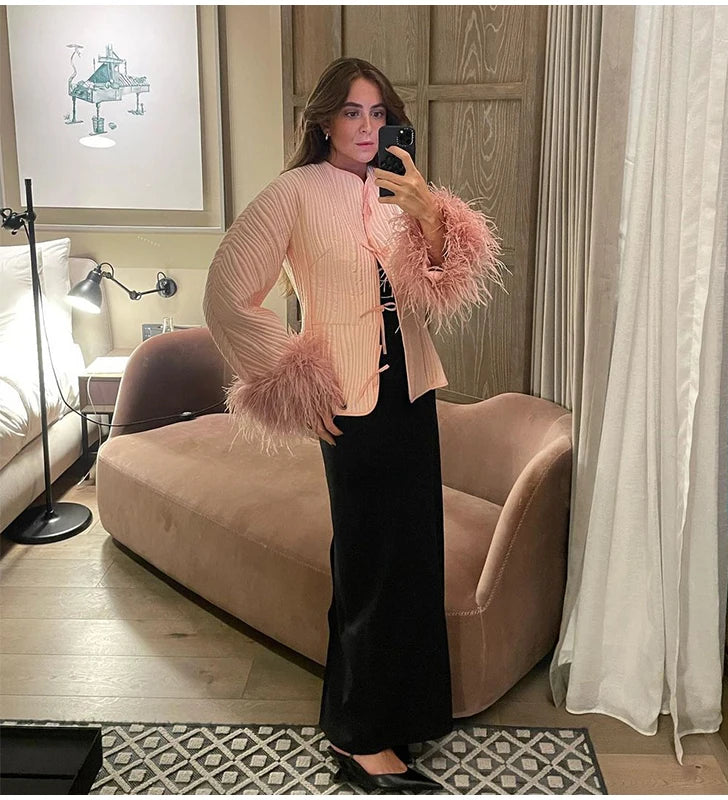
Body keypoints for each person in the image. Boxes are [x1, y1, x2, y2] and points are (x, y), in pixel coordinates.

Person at [202, 57, 506, 793]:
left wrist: (430, 217)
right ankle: (358, 738)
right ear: (324, 120)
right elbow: (226, 294)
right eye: (351, 113)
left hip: (411, 391)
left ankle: (399, 715)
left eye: (378, 114)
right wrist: (298, 381)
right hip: (348, 400)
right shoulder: (294, 192)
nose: (367, 128)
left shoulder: (399, 191)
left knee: (413, 555)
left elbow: (434, 291)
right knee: (368, 562)